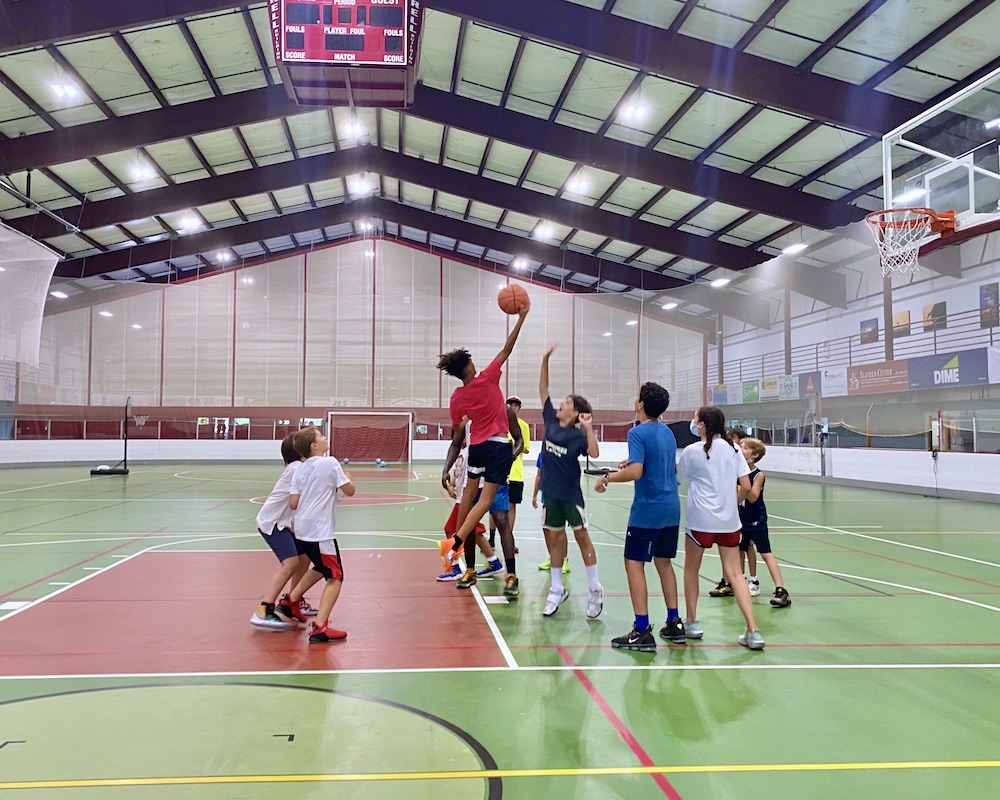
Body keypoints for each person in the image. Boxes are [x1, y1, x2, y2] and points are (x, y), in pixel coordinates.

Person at [438, 299, 530, 597]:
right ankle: (457, 544)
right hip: (498, 447)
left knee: (468, 503)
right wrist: (522, 317)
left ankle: (460, 547)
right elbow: (507, 348)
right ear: (469, 365)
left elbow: (456, 434)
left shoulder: (457, 398)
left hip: (476, 447)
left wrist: (446, 468)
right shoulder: (488, 376)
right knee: (485, 502)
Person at [597, 382, 685, 651]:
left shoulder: (637, 432)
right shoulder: (667, 432)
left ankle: (642, 629)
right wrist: (631, 460)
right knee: (664, 563)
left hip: (648, 510)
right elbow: (656, 462)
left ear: (641, 405)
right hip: (671, 507)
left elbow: (636, 472)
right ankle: (674, 622)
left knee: (633, 563)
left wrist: (608, 478)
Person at [677, 407, 765, 650]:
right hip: (729, 523)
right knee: (736, 575)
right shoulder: (734, 449)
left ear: (703, 424)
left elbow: (676, 479)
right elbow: (745, 486)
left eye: (695, 420)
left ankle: (692, 623)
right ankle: (753, 631)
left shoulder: (692, 452)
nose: (693, 424)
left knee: (691, 570)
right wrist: (732, 504)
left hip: (700, 522)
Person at [538, 343, 603, 619]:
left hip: (570, 495)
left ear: (575, 413)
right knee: (554, 538)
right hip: (550, 493)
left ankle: (595, 589)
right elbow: (543, 389)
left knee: (581, 537)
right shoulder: (550, 422)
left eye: (566, 403)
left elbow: (595, 453)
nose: (561, 404)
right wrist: (545, 359)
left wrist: (588, 428)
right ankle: (556, 589)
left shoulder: (578, 436)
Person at [280, 426, 356, 644]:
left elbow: (293, 503)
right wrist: (347, 479)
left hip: (302, 529)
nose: (325, 438)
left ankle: (290, 600)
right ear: (314, 445)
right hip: (320, 531)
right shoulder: (330, 463)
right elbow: (350, 490)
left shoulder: (300, 470)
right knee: (335, 576)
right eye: (321, 436)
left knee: (320, 567)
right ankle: (320, 627)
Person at [251, 434, 322, 629]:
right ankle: (264, 610)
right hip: (273, 522)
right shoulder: (297, 469)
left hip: (286, 523)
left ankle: (294, 601)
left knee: (304, 559)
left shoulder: (299, 468)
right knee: (290, 563)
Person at [737, 437, 791, 608]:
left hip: (756, 520)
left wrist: (740, 486)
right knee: (741, 550)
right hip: (741, 519)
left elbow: (752, 497)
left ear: (754, 454)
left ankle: (781, 590)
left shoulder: (758, 475)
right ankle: (743, 582)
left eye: (744, 448)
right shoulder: (737, 472)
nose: (740, 450)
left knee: (766, 553)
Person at [708, 426, 757, 598]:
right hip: (731, 513)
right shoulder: (727, 459)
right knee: (729, 549)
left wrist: (734, 502)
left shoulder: (743, 466)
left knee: (745, 546)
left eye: (735, 439)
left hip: (745, 515)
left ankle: (748, 580)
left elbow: (748, 489)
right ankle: (729, 580)